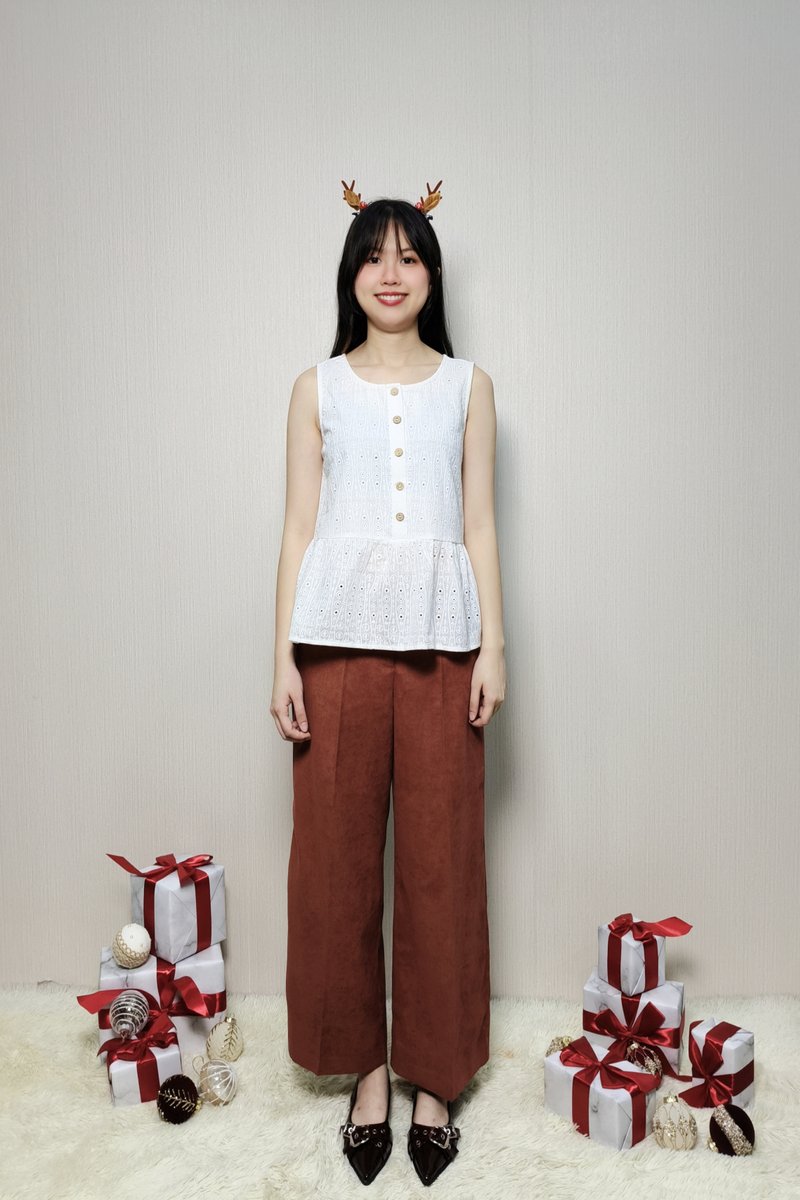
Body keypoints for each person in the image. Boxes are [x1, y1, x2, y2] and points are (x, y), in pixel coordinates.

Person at [270, 181, 506, 1187]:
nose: (391, 273)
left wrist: (496, 645)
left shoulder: (469, 387)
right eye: (374, 255)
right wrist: (280, 655)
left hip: (445, 642)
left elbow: (480, 522)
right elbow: (297, 526)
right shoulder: (314, 388)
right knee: (333, 863)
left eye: (409, 256)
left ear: (432, 275)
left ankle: (433, 1077)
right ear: (351, 275)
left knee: (441, 862)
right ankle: (365, 1069)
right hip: (333, 642)